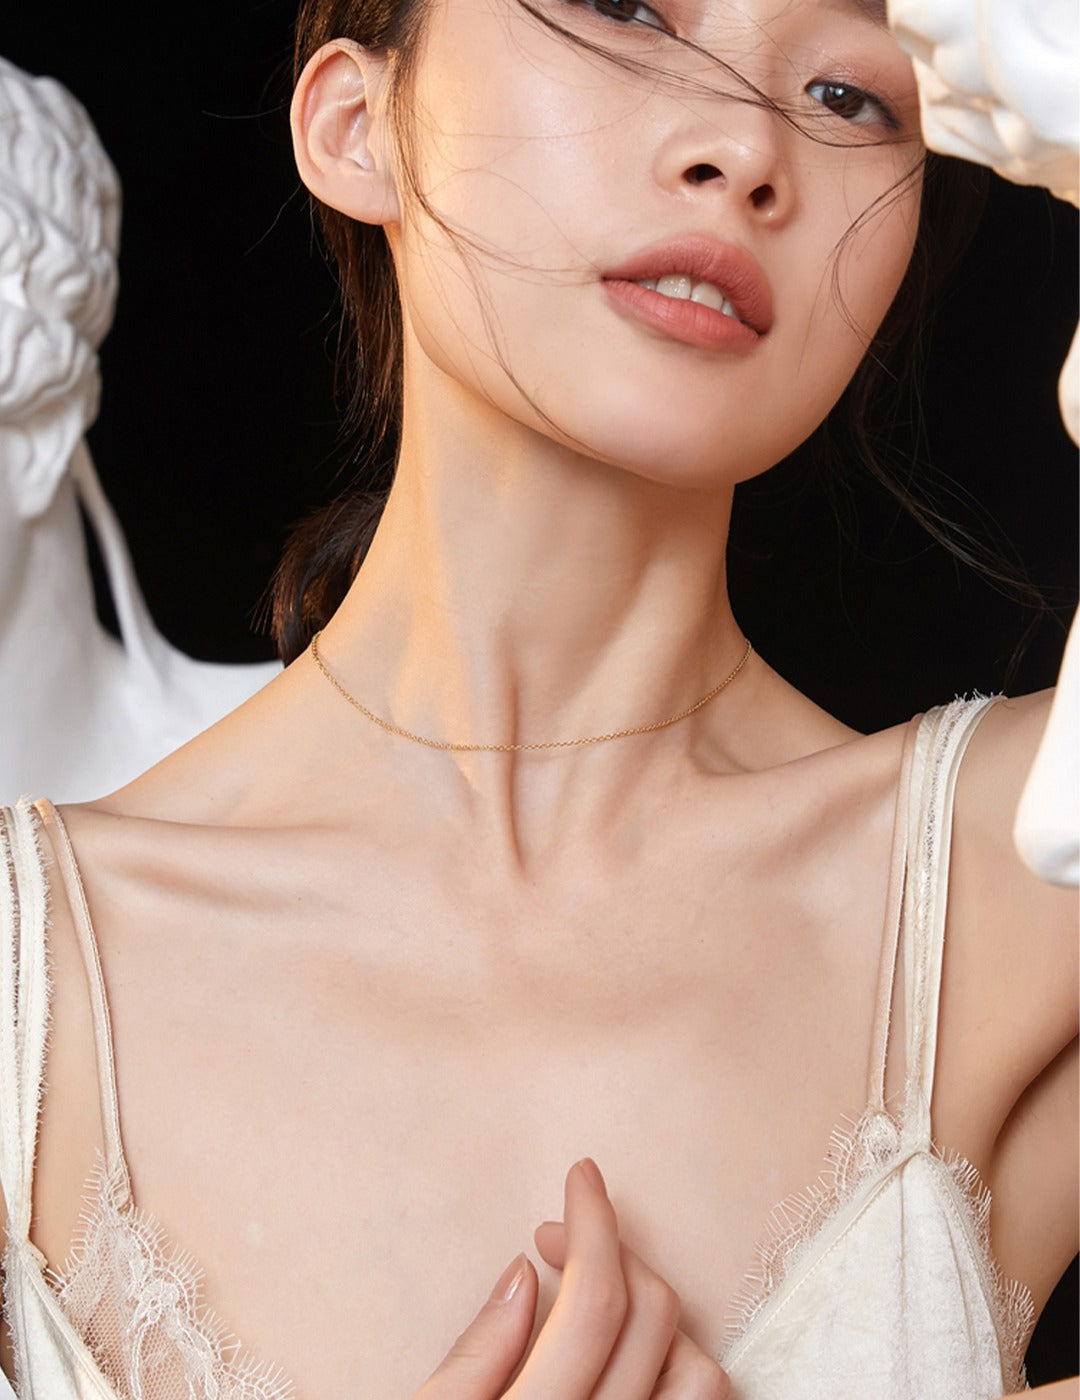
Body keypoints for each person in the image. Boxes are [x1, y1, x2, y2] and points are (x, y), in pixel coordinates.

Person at [0, 0, 1076, 1397]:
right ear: (353, 123)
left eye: (849, 97)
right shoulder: (31, 990)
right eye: (625, 9)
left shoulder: (1030, 886)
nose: (747, 150)